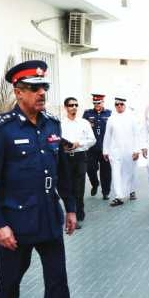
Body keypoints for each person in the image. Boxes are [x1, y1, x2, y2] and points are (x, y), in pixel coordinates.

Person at [0, 60, 90, 298]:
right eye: (33, 88)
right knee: (9, 284)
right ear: (18, 92)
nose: (41, 93)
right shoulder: (0, 129)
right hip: (15, 222)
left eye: (44, 87)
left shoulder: (52, 125)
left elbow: (63, 173)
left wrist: (70, 208)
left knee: (58, 280)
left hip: (48, 216)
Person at [61, 96, 96, 228]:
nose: (74, 107)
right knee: (67, 187)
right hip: (65, 158)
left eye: (76, 105)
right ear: (66, 107)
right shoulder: (60, 124)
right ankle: (71, 212)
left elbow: (92, 140)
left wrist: (79, 143)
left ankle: (79, 211)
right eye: (71, 105)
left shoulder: (84, 123)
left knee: (79, 186)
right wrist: (62, 146)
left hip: (80, 157)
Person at [103, 96, 142, 207]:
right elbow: (107, 136)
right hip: (115, 151)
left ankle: (131, 190)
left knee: (129, 172)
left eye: (121, 104)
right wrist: (105, 150)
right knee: (116, 173)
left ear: (125, 105)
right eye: (117, 104)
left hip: (130, 151)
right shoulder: (111, 119)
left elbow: (137, 135)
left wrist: (136, 150)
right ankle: (119, 196)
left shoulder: (132, 118)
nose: (119, 106)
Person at [83, 94, 112, 200]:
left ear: (103, 102)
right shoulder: (87, 113)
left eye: (98, 103)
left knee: (106, 171)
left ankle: (106, 192)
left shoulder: (109, 113)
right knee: (90, 169)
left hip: (105, 148)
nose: (96, 105)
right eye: (95, 103)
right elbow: (83, 129)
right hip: (91, 148)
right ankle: (95, 184)